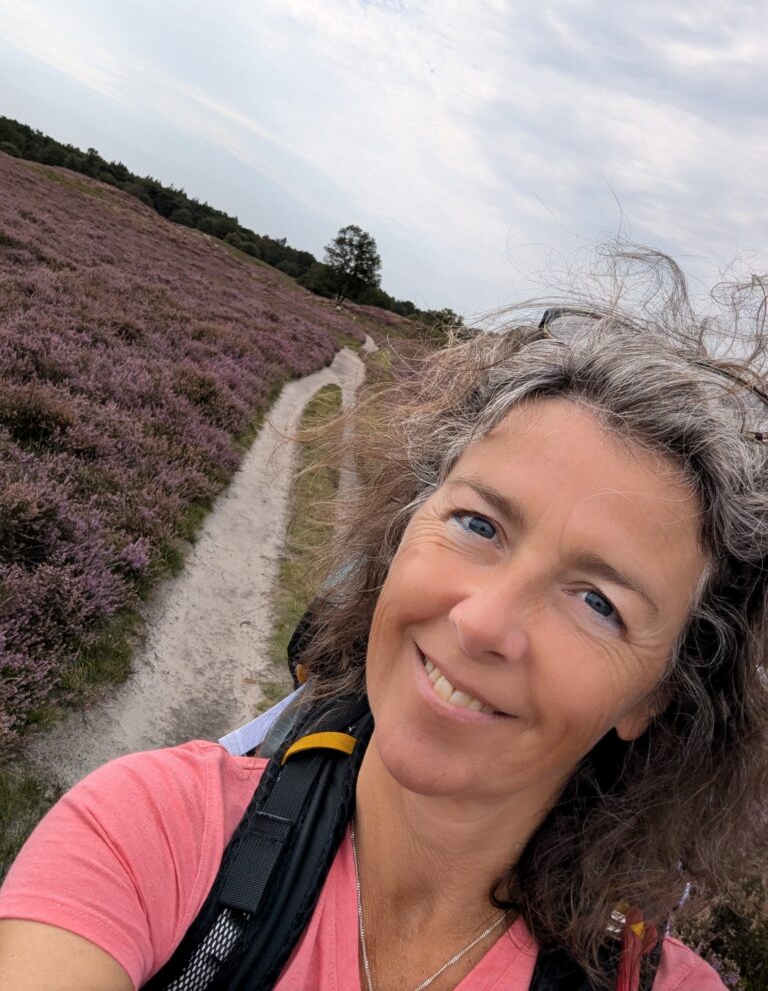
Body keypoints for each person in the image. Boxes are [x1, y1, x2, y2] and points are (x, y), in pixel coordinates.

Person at [1, 250, 767, 991]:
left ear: (656, 693)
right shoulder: (153, 831)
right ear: (404, 531)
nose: (482, 623)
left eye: (598, 601)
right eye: (478, 524)